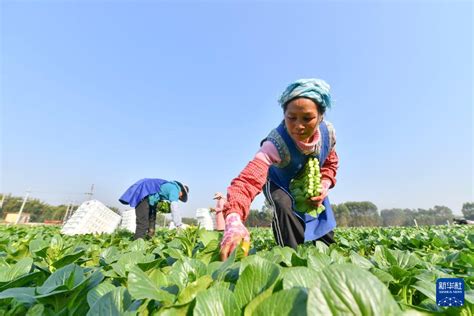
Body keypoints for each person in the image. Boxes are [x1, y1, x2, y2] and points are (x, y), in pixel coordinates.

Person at [220, 78, 339, 259]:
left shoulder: (327, 134)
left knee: (322, 219)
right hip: (279, 182)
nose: (298, 126)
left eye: (307, 118)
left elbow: (330, 162)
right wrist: (234, 218)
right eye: (291, 118)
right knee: (284, 204)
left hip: (308, 182)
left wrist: (324, 183)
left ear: (321, 116)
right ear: (284, 115)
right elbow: (247, 180)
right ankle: (290, 259)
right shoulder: (275, 143)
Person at [119, 178, 189, 240]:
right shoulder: (175, 190)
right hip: (144, 195)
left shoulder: (170, 186)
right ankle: (138, 244)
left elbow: (157, 195)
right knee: (143, 222)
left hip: (150, 199)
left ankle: (150, 239)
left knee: (152, 219)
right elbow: (175, 208)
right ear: (181, 192)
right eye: (181, 196)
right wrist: (178, 224)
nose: (179, 198)